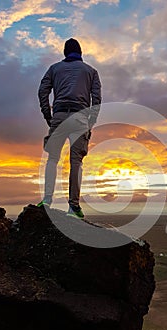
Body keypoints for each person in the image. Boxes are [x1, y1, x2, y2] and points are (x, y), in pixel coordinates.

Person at [37, 38, 102, 219]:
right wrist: (91, 122)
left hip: (58, 116)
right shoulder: (91, 71)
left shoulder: (54, 69)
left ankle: (47, 199)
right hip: (80, 117)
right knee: (76, 162)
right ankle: (73, 207)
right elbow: (96, 99)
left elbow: (42, 91)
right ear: (80, 53)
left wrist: (47, 115)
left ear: (65, 53)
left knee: (53, 158)